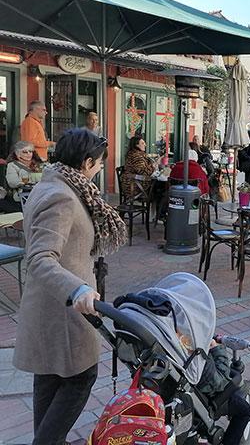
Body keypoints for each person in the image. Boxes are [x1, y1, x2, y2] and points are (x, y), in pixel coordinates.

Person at [13, 129, 127, 445]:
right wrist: (77, 289)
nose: (100, 169)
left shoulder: (52, 184)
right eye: (99, 163)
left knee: (49, 378)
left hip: (51, 307)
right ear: (87, 162)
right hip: (64, 309)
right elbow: (39, 258)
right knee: (81, 377)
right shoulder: (62, 196)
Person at [197, 340, 250, 445]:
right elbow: (220, 383)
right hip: (208, 399)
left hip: (186, 394)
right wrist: (216, 349)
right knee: (244, 410)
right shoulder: (195, 355)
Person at [2, 141, 43, 212]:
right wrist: (27, 182)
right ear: (17, 154)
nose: (29, 154)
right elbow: (12, 182)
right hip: (23, 196)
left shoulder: (38, 163)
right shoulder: (12, 165)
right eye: (25, 152)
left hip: (41, 194)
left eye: (30, 151)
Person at [122, 135, 156, 200]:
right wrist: (154, 166)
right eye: (142, 143)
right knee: (159, 188)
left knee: (158, 186)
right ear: (136, 145)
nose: (145, 145)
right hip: (133, 187)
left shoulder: (134, 153)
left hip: (133, 183)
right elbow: (143, 171)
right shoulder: (136, 156)